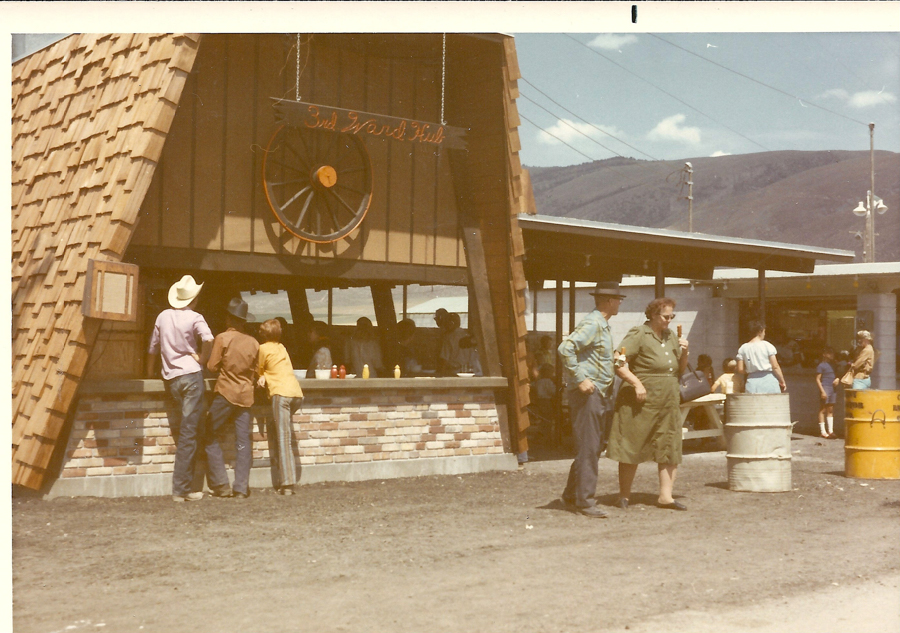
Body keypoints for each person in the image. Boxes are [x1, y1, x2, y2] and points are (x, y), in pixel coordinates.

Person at [608, 297, 690, 511]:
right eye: (665, 316)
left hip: (668, 398)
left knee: (669, 443)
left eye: (672, 316)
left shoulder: (671, 336)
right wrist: (636, 383)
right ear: (653, 315)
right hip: (641, 399)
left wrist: (686, 352)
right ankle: (624, 495)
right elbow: (617, 360)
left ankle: (666, 496)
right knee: (632, 443)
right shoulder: (639, 334)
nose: (669, 320)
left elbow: (680, 370)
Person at [558, 281, 626, 518]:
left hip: (599, 394)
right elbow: (565, 348)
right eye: (618, 299)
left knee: (592, 447)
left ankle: (572, 495)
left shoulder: (602, 325)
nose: (619, 303)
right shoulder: (593, 323)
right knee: (589, 447)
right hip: (589, 394)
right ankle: (585, 502)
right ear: (608, 301)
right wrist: (580, 379)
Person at [147, 275, 215, 502]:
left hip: (171, 378)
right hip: (191, 376)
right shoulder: (196, 317)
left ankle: (183, 487)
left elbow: (153, 347)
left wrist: (148, 373)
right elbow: (209, 338)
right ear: (194, 299)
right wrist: (203, 359)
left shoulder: (163, 316)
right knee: (189, 433)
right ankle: (181, 489)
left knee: (185, 431)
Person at [204, 298, 259, 499]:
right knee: (243, 441)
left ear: (229, 318)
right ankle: (241, 488)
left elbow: (211, 366)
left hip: (226, 393)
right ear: (243, 321)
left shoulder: (222, 338)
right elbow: (257, 370)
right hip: (246, 396)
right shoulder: (254, 342)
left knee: (207, 432)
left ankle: (220, 484)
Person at [258, 318, 305, 495]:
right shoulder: (282, 347)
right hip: (296, 394)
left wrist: (263, 376)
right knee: (278, 428)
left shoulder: (262, 348)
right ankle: (284, 475)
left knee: (283, 437)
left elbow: (259, 368)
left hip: (280, 394)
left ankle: (287, 484)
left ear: (263, 334)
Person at [735, 320, 786, 394]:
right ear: (760, 331)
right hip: (768, 380)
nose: (764, 334)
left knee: (754, 404)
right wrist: (782, 381)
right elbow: (775, 366)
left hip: (752, 382)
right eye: (764, 331)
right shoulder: (767, 345)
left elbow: (740, 369)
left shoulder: (743, 348)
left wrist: (751, 370)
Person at [816, 347, 837, 439]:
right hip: (825, 387)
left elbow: (837, 375)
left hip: (833, 388)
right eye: (829, 353)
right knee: (823, 409)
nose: (831, 355)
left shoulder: (833, 365)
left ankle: (830, 430)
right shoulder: (821, 365)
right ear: (824, 354)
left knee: (830, 409)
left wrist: (838, 379)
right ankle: (823, 431)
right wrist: (822, 391)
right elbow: (817, 379)